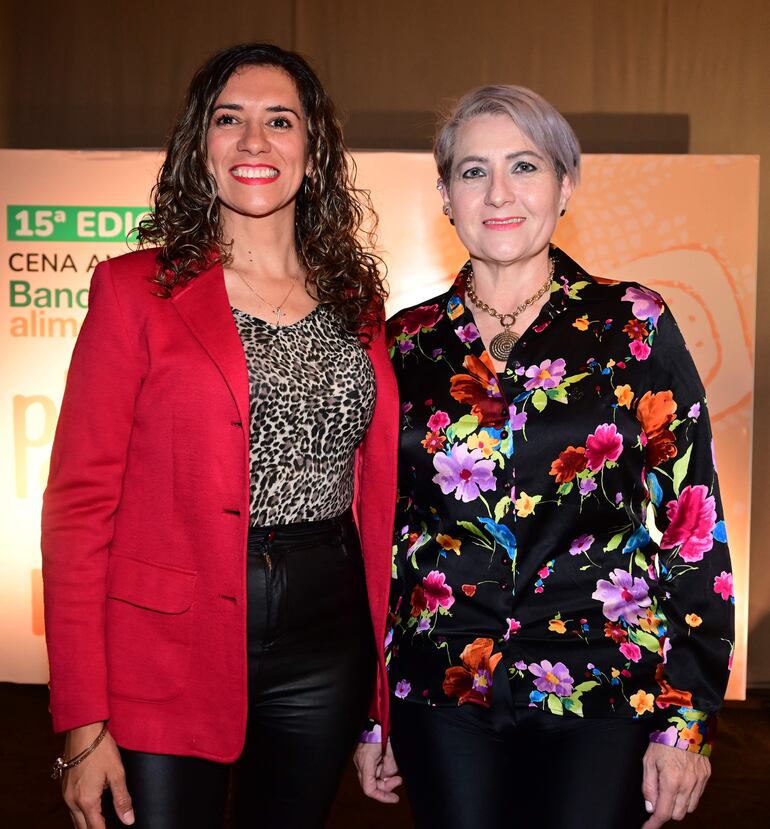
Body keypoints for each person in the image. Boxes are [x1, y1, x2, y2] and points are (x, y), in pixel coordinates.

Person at [355, 85, 734, 829]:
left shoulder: (632, 325)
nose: (499, 192)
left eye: (524, 166)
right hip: (440, 688)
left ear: (565, 185)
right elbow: (380, 540)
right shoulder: (404, 344)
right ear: (445, 196)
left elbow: (692, 525)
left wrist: (688, 719)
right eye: (473, 171)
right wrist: (374, 713)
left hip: (605, 685)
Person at [42, 42, 399, 829]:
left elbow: (375, 493)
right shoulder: (134, 290)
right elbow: (78, 509)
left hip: (326, 644)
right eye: (229, 119)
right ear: (199, 144)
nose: (254, 141)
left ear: (314, 148)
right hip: (166, 647)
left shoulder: (356, 301)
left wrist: (379, 702)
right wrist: (82, 720)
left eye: (281, 121)